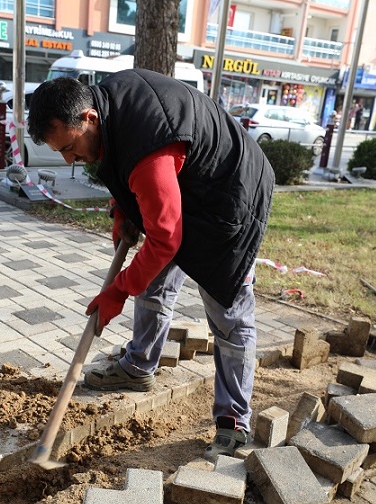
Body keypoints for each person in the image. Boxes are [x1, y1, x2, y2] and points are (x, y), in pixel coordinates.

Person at [27, 71, 274, 461]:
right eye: (61, 152)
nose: (69, 159)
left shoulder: (146, 145)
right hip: (185, 183)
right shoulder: (109, 110)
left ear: (90, 117)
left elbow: (165, 237)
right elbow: (134, 180)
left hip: (230, 196)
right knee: (155, 281)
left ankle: (234, 419)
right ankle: (139, 366)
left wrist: (119, 290)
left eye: (70, 147)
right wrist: (124, 209)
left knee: (229, 313)